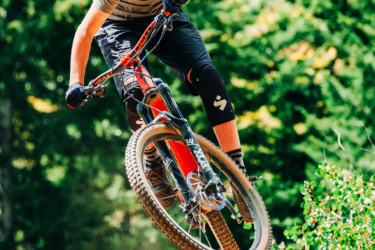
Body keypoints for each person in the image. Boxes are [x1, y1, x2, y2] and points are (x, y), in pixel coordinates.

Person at [65, 0, 252, 222]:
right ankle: (153, 160)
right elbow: (86, 30)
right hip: (118, 27)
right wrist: (75, 82)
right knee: (135, 92)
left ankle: (238, 174)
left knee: (209, 78)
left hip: (166, 15)